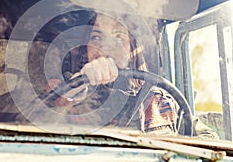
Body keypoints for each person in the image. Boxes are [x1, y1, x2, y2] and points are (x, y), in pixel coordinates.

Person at [44, 12, 218, 139]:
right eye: (97, 37)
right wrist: (71, 95)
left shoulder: (159, 100)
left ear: (132, 50)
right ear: (86, 48)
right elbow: (29, 132)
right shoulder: (65, 93)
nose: (107, 46)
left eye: (119, 37)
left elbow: (209, 141)